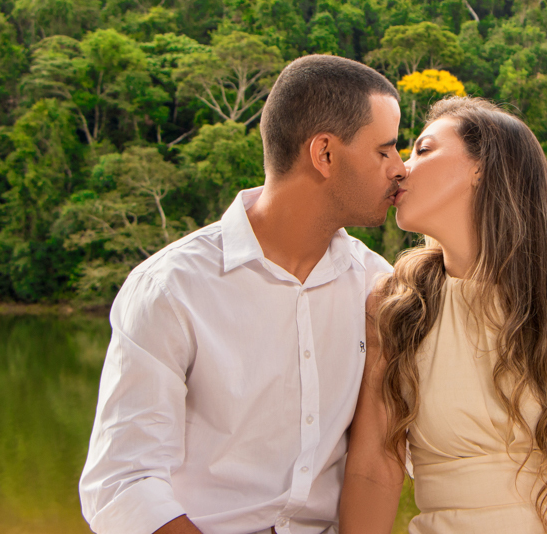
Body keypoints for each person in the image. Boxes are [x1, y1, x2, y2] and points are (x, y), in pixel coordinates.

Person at [79, 55, 407, 534]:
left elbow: (383, 457)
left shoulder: (376, 287)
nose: (400, 169)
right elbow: (123, 482)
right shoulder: (171, 289)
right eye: (385, 151)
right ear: (325, 154)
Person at [340, 97, 547, 534]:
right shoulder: (392, 304)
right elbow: (373, 468)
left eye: (423, 150)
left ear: (482, 167)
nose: (400, 168)